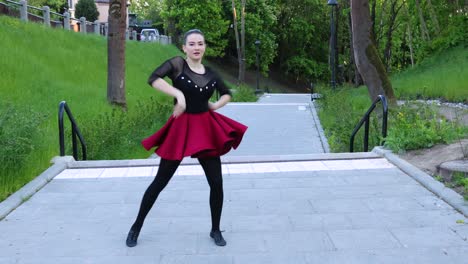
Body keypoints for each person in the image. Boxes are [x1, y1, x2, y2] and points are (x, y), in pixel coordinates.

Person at [126, 29, 247, 248]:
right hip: (181, 129)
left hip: (205, 130)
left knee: (217, 183)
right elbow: (153, 78)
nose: (196, 47)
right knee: (160, 182)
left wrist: (214, 105)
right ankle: (136, 227)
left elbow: (227, 92)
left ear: (204, 47)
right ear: (184, 47)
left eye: (200, 43)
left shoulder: (210, 73)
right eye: (191, 44)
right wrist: (178, 94)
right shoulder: (177, 65)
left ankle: (215, 229)